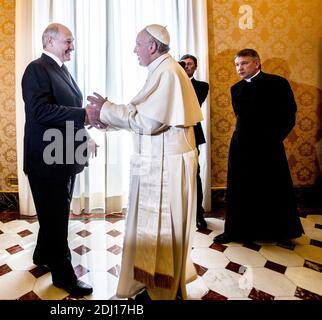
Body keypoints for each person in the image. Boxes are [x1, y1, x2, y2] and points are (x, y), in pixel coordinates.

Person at [87, 24, 203, 300]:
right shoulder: (162, 70)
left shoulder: (168, 72)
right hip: (156, 163)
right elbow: (142, 115)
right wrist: (107, 120)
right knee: (149, 231)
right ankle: (152, 283)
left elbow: (149, 122)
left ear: (152, 47)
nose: (134, 50)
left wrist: (104, 109)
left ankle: (163, 290)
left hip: (167, 167)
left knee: (161, 232)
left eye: (138, 45)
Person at [21, 22, 98, 296]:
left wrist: (85, 135)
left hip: (65, 155)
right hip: (47, 159)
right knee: (56, 218)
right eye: (68, 42)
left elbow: (70, 110)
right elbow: (40, 112)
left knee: (56, 213)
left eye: (72, 42)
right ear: (50, 42)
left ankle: (42, 254)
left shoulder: (61, 70)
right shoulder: (36, 69)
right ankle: (63, 276)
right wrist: (84, 116)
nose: (72, 47)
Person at [214, 48, 304, 244]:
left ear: (257, 63)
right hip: (240, 147)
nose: (240, 68)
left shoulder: (277, 83)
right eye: (237, 64)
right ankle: (235, 231)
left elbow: (289, 115)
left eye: (244, 63)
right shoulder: (235, 89)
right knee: (239, 189)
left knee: (272, 188)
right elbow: (241, 118)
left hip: (269, 146)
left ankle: (279, 232)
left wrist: (274, 139)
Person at [180, 54, 209, 230]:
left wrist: (182, 79)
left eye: (190, 64)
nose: (187, 66)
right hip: (171, 134)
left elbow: (193, 102)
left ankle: (199, 214)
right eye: (183, 64)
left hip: (192, 135)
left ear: (195, 67)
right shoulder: (173, 83)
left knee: (194, 174)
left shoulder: (201, 86)